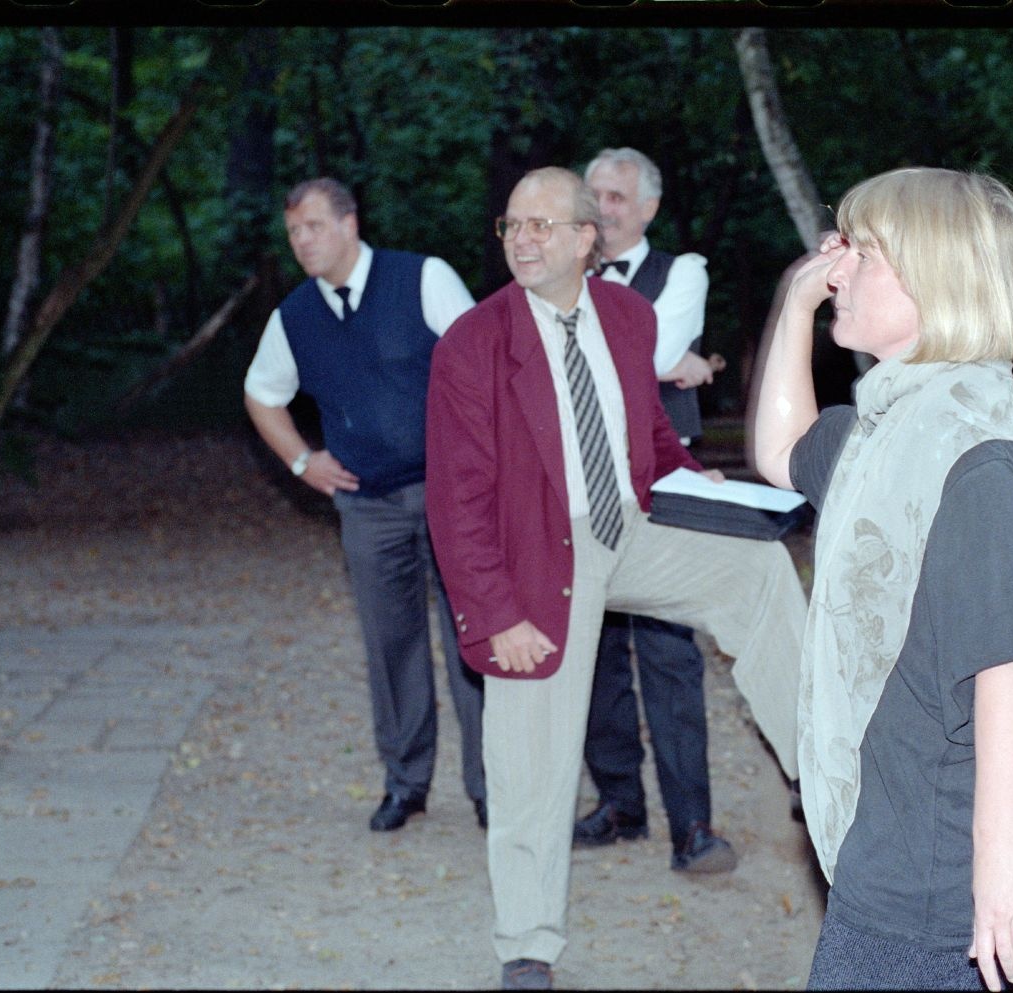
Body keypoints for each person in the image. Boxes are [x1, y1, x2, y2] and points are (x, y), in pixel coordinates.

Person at [424, 166, 807, 991]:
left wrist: (694, 476)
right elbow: (455, 502)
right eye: (511, 226)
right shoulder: (475, 342)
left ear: (586, 239)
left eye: (541, 226)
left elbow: (643, 430)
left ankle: (820, 763)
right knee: (530, 756)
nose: (522, 241)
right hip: (533, 559)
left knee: (759, 567)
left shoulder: (628, 319)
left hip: (626, 530)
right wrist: (494, 615)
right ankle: (527, 944)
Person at [753, 167, 1013, 991]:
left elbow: (1007, 663)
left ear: (936, 280)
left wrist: (999, 855)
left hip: (950, 828)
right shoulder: (892, 418)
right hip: (907, 797)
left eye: (864, 252)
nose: (840, 267)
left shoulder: (977, 444)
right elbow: (780, 451)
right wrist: (797, 302)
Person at [243, 177, 487, 834]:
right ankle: (405, 782)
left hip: (451, 495)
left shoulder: (422, 279)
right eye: (294, 231)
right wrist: (302, 460)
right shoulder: (293, 316)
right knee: (390, 644)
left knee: (473, 637)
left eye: (314, 226)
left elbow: (484, 362)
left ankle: (491, 785)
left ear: (350, 224)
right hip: (367, 506)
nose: (302, 242)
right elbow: (262, 394)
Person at [572, 146, 734, 870]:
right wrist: (668, 367)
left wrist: (667, 360)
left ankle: (692, 826)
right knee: (595, 649)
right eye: (593, 194)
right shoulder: (559, 273)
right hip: (583, 480)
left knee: (669, 652)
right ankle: (617, 804)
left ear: (647, 209)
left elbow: (648, 348)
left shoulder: (684, 271)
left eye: (615, 196)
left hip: (666, 480)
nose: (601, 207)